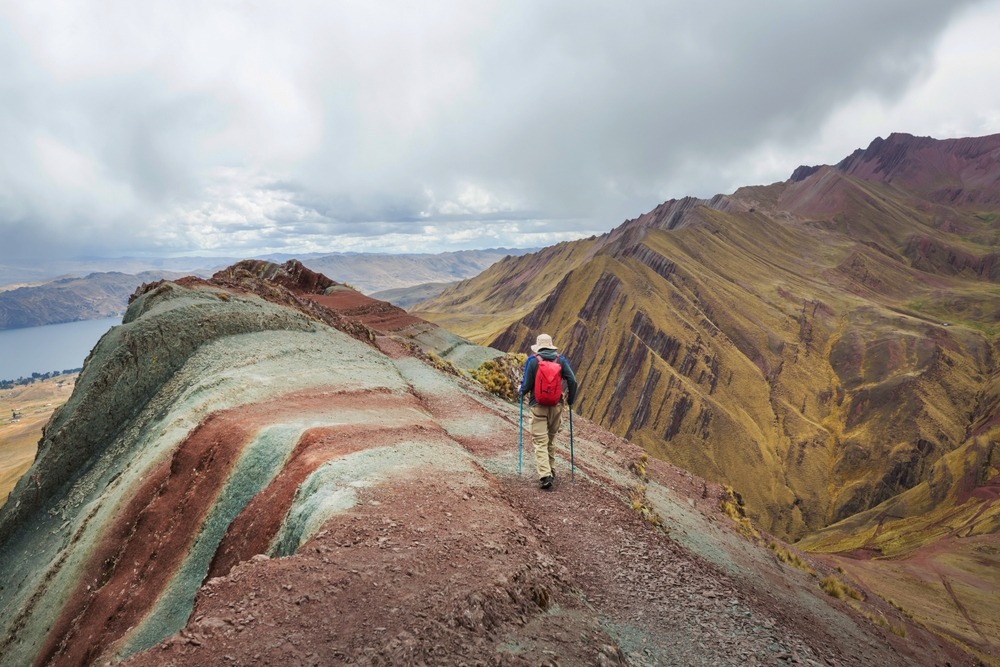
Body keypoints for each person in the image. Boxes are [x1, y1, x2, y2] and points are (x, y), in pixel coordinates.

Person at [519, 333, 578, 490]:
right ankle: (551, 469)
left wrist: (521, 391)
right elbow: (573, 381)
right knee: (551, 439)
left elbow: (526, 386)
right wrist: (570, 400)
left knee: (540, 441)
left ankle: (545, 476)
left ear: (538, 347)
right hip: (556, 406)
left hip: (537, 406)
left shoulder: (532, 361)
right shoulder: (560, 360)